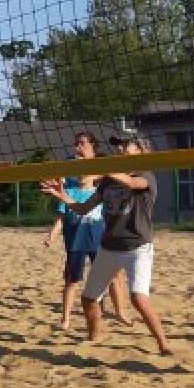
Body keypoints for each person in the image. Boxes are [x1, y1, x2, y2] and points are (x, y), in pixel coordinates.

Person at [40, 129, 171, 355]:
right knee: (89, 299)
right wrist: (62, 195)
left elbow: (131, 182)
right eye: (117, 145)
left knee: (138, 298)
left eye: (124, 145)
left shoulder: (146, 175)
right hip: (109, 247)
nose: (118, 148)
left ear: (141, 152)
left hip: (137, 247)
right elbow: (83, 208)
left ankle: (163, 343)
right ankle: (94, 337)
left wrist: (96, 165)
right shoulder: (107, 181)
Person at [44, 131, 130, 330]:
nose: (78, 148)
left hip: (100, 238)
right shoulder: (73, 185)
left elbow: (114, 177)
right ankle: (66, 319)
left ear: (93, 146)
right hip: (76, 240)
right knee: (73, 280)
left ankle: (119, 312)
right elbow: (62, 215)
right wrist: (52, 234)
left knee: (110, 276)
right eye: (76, 144)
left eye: (82, 144)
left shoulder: (102, 181)